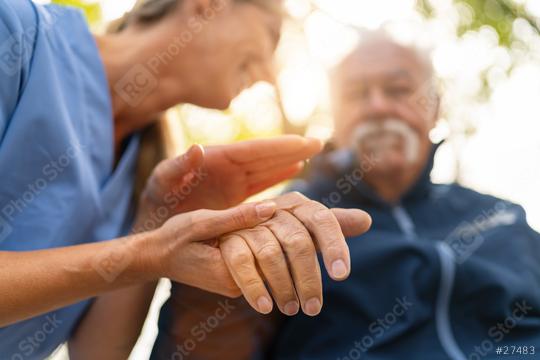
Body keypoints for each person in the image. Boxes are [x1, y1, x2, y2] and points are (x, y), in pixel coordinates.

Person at [0, 0, 372, 359]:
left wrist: (158, 219)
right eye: (270, 34)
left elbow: (96, 353)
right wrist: (148, 252)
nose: (268, 74)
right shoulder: (16, 34)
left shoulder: (151, 170)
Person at [154, 32, 540, 360]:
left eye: (399, 89)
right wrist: (211, 279)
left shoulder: (503, 215)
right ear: (334, 117)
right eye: (357, 94)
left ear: (434, 107)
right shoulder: (277, 226)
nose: (378, 106)